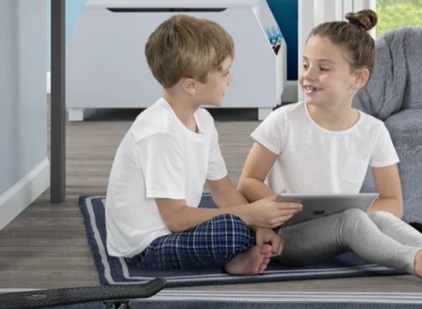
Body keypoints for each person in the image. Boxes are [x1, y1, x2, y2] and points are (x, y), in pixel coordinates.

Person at [238, 10, 422, 302]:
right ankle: (418, 261)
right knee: (352, 219)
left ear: (358, 78)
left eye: (323, 68)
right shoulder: (283, 121)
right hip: (287, 237)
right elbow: (248, 180)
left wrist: (366, 219)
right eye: (305, 64)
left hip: (343, 230)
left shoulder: (373, 130)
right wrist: (276, 210)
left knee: (381, 221)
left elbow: (393, 203)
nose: (308, 76)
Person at [104, 14, 298, 275]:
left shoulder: (203, 120)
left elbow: (222, 189)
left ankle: (239, 254)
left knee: (244, 222)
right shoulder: (160, 134)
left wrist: (259, 227)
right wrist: (251, 215)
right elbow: (175, 219)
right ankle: (234, 257)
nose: (231, 79)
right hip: (146, 244)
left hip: (177, 226)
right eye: (225, 72)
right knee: (230, 230)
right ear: (191, 86)